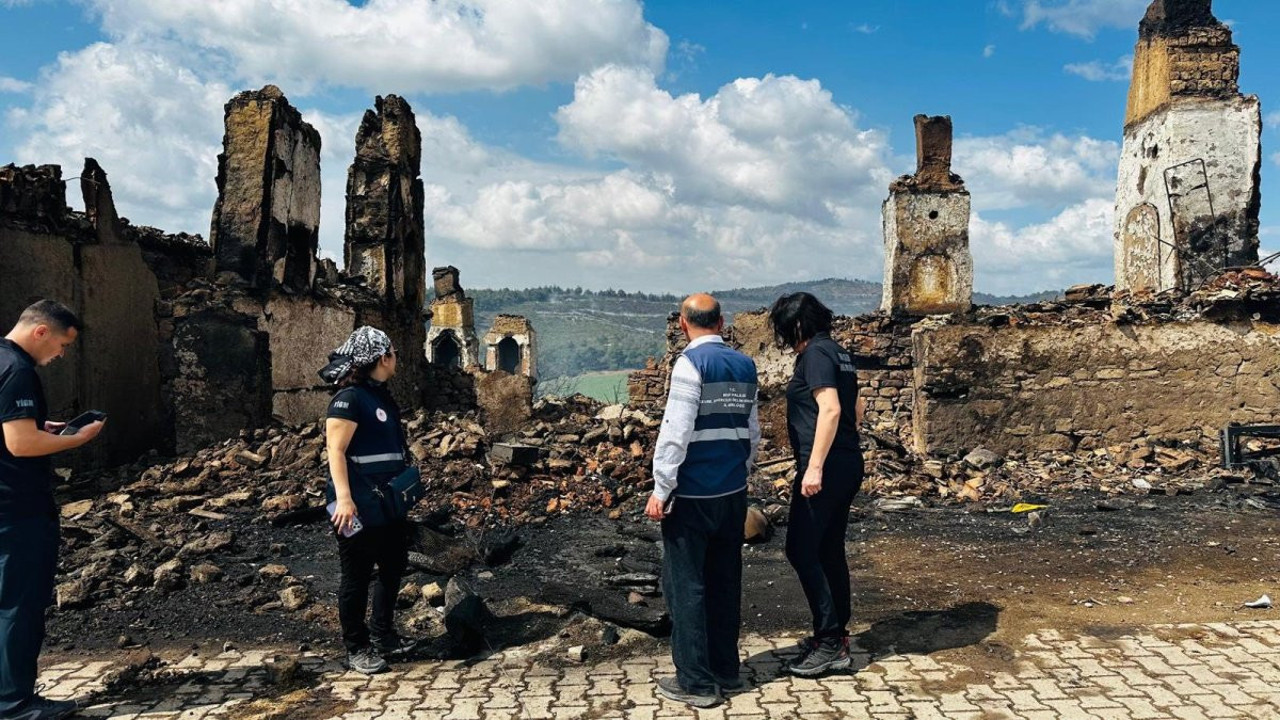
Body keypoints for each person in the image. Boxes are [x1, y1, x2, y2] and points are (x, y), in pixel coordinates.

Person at [646, 294, 760, 708]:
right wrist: (742, 471)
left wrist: (662, 488)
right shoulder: (745, 365)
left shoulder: (690, 364)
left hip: (692, 495)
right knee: (725, 581)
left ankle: (695, 682)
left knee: (687, 586)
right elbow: (752, 430)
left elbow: (676, 431)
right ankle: (727, 671)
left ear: (682, 324)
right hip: (732, 494)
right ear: (722, 321)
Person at [0, 300, 104, 720]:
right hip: (17, 508)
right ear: (41, 331)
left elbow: (15, 428)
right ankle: (14, 703)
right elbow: (20, 445)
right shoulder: (20, 371)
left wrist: (43, 427)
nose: (61, 355)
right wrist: (79, 439)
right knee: (19, 605)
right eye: (62, 344)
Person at [768, 292, 864, 677]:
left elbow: (832, 408)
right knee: (827, 549)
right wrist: (846, 442)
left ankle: (829, 642)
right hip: (845, 461)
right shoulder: (838, 352)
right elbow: (857, 405)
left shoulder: (815, 355)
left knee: (801, 549)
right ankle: (835, 634)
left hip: (826, 467)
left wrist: (814, 466)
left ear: (794, 326)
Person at [319, 326, 416, 675]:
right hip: (353, 506)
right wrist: (344, 499)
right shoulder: (349, 399)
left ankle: (383, 634)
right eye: (392, 351)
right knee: (357, 576)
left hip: (386, 504)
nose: (396, 357)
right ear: (381, 357)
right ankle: (356, 647)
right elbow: (336, 451)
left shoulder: (381, 396)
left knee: (393, 566)